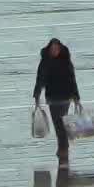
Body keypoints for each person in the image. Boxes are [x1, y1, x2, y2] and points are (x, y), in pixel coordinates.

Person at [33, 38, 81, 166]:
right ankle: (63, 147)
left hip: (65, 98)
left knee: (60, 124)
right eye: (52, 49)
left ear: (60, 49)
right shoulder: (45, 62)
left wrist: (76, 97)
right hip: (53, 98)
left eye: (56, 49)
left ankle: (63, 148)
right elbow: (40, 79)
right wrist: (37, 95)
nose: (54, 51)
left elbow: (72, 79)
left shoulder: (65, 61)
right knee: (58, 124)